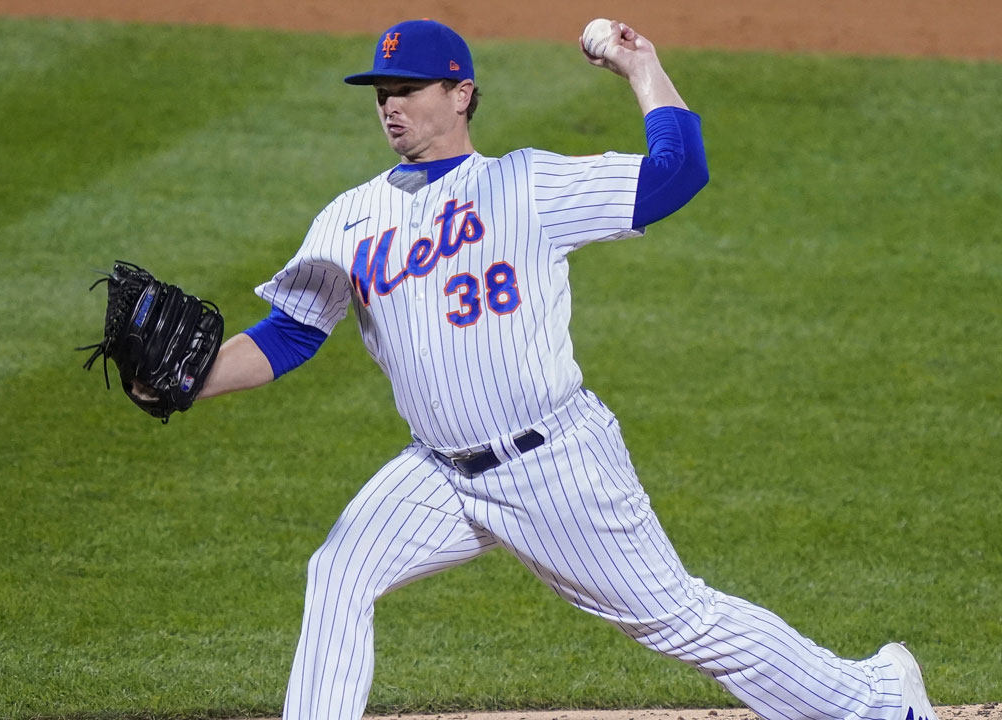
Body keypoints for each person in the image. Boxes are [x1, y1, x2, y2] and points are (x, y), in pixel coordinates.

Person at [170, 17, 938, 720]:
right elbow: (290, 336)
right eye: (381, 92)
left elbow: (678, 174)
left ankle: (876, 699)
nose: (389, 106)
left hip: (555, 466)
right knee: (337, 573)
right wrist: (184, 382)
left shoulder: (527, 185)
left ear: (461, 94)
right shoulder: (349, 216)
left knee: (680, 620)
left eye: (407, 90)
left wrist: (644, 70)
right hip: (438, 473)